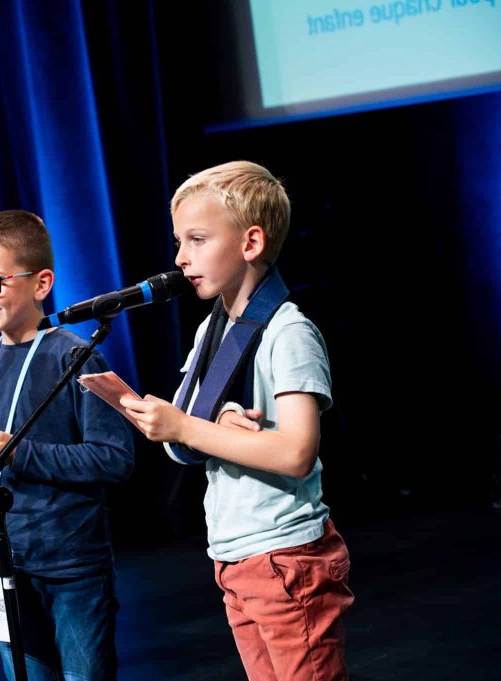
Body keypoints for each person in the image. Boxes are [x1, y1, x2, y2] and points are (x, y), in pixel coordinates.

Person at [121, 162, 354, 681]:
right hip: (237, 555)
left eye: (198, 239)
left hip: (284, 554)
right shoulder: (213, 328)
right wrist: (202, 425)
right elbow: (189, 433)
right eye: (179, 240)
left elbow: (296, 453)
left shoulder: (288, 332)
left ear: (251, 242)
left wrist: (189, 428)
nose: (181, 257)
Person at [0, 210, 135, 681]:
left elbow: (114, 458)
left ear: (41, 282)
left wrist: (15, 453)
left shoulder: (76, 355)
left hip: (69, 561)